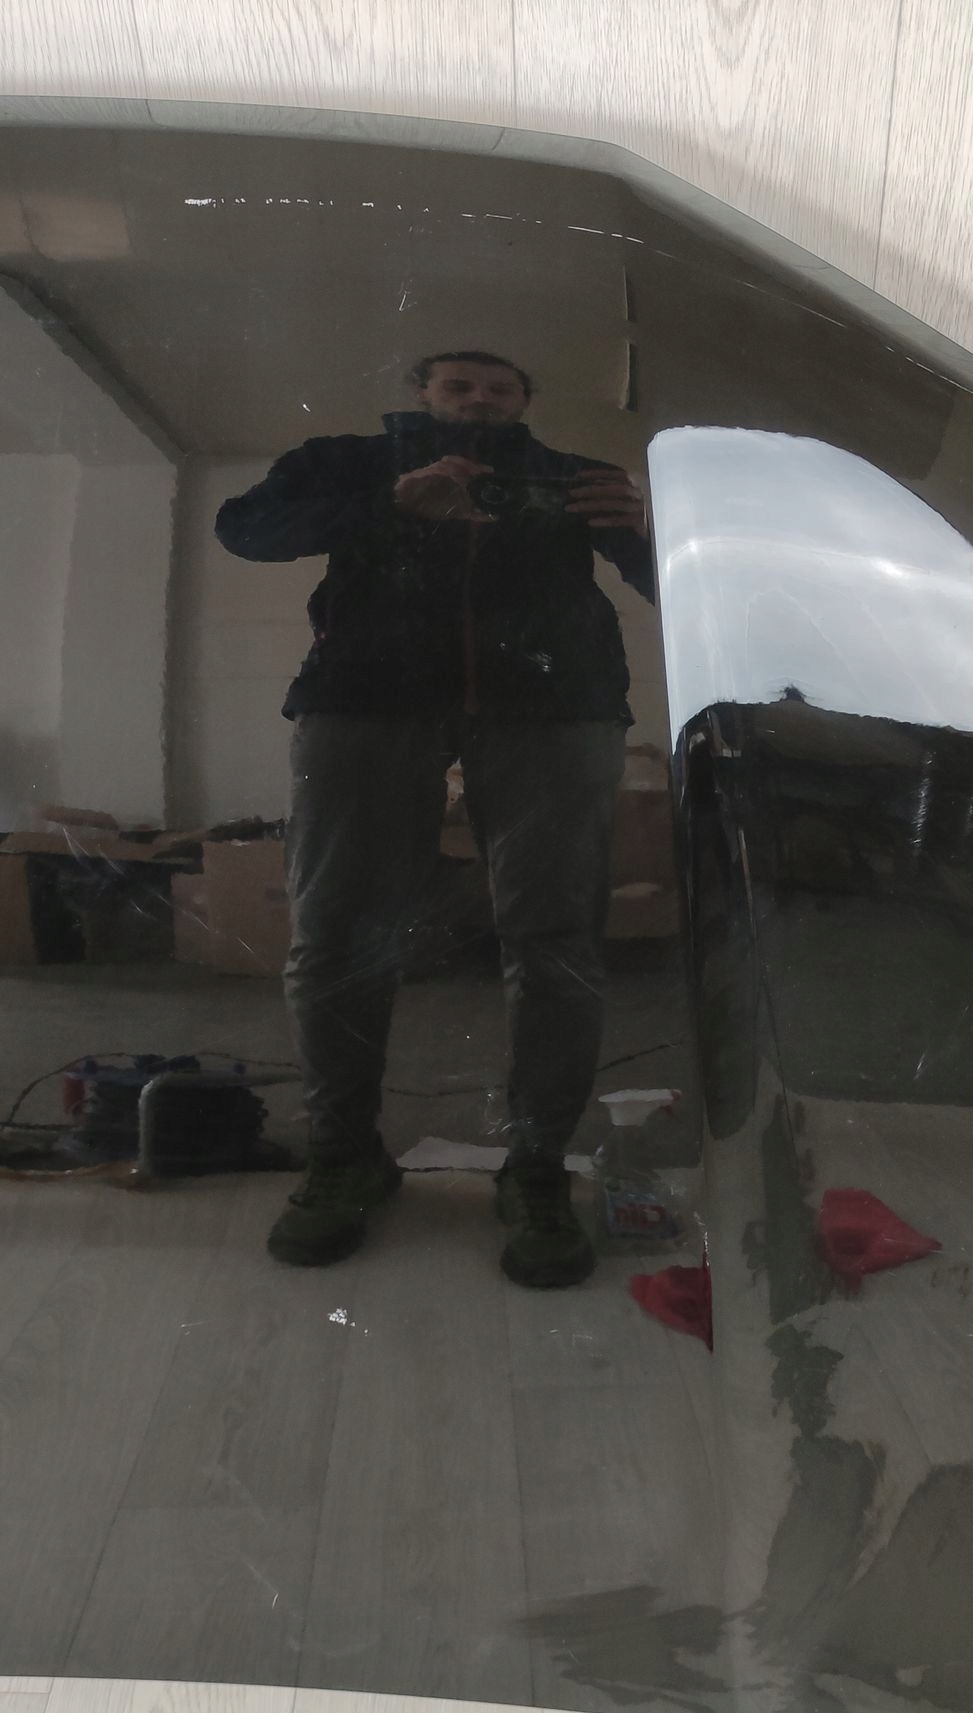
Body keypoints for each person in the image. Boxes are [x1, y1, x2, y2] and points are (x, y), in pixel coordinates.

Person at [214, 350, 654, 1287]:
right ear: (421, 393)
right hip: (366, 701)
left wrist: (652, 531)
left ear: (526, 399)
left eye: (500, 387)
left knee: (556, 940)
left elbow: (674, 589)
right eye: (459, 385)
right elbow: (242, 530)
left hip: (554, 707)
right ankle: (344, 1156)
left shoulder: (577, 480)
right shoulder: (345, 461)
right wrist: (389, 504)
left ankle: (536, 1169)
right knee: (336, 934)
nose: (479, 398)